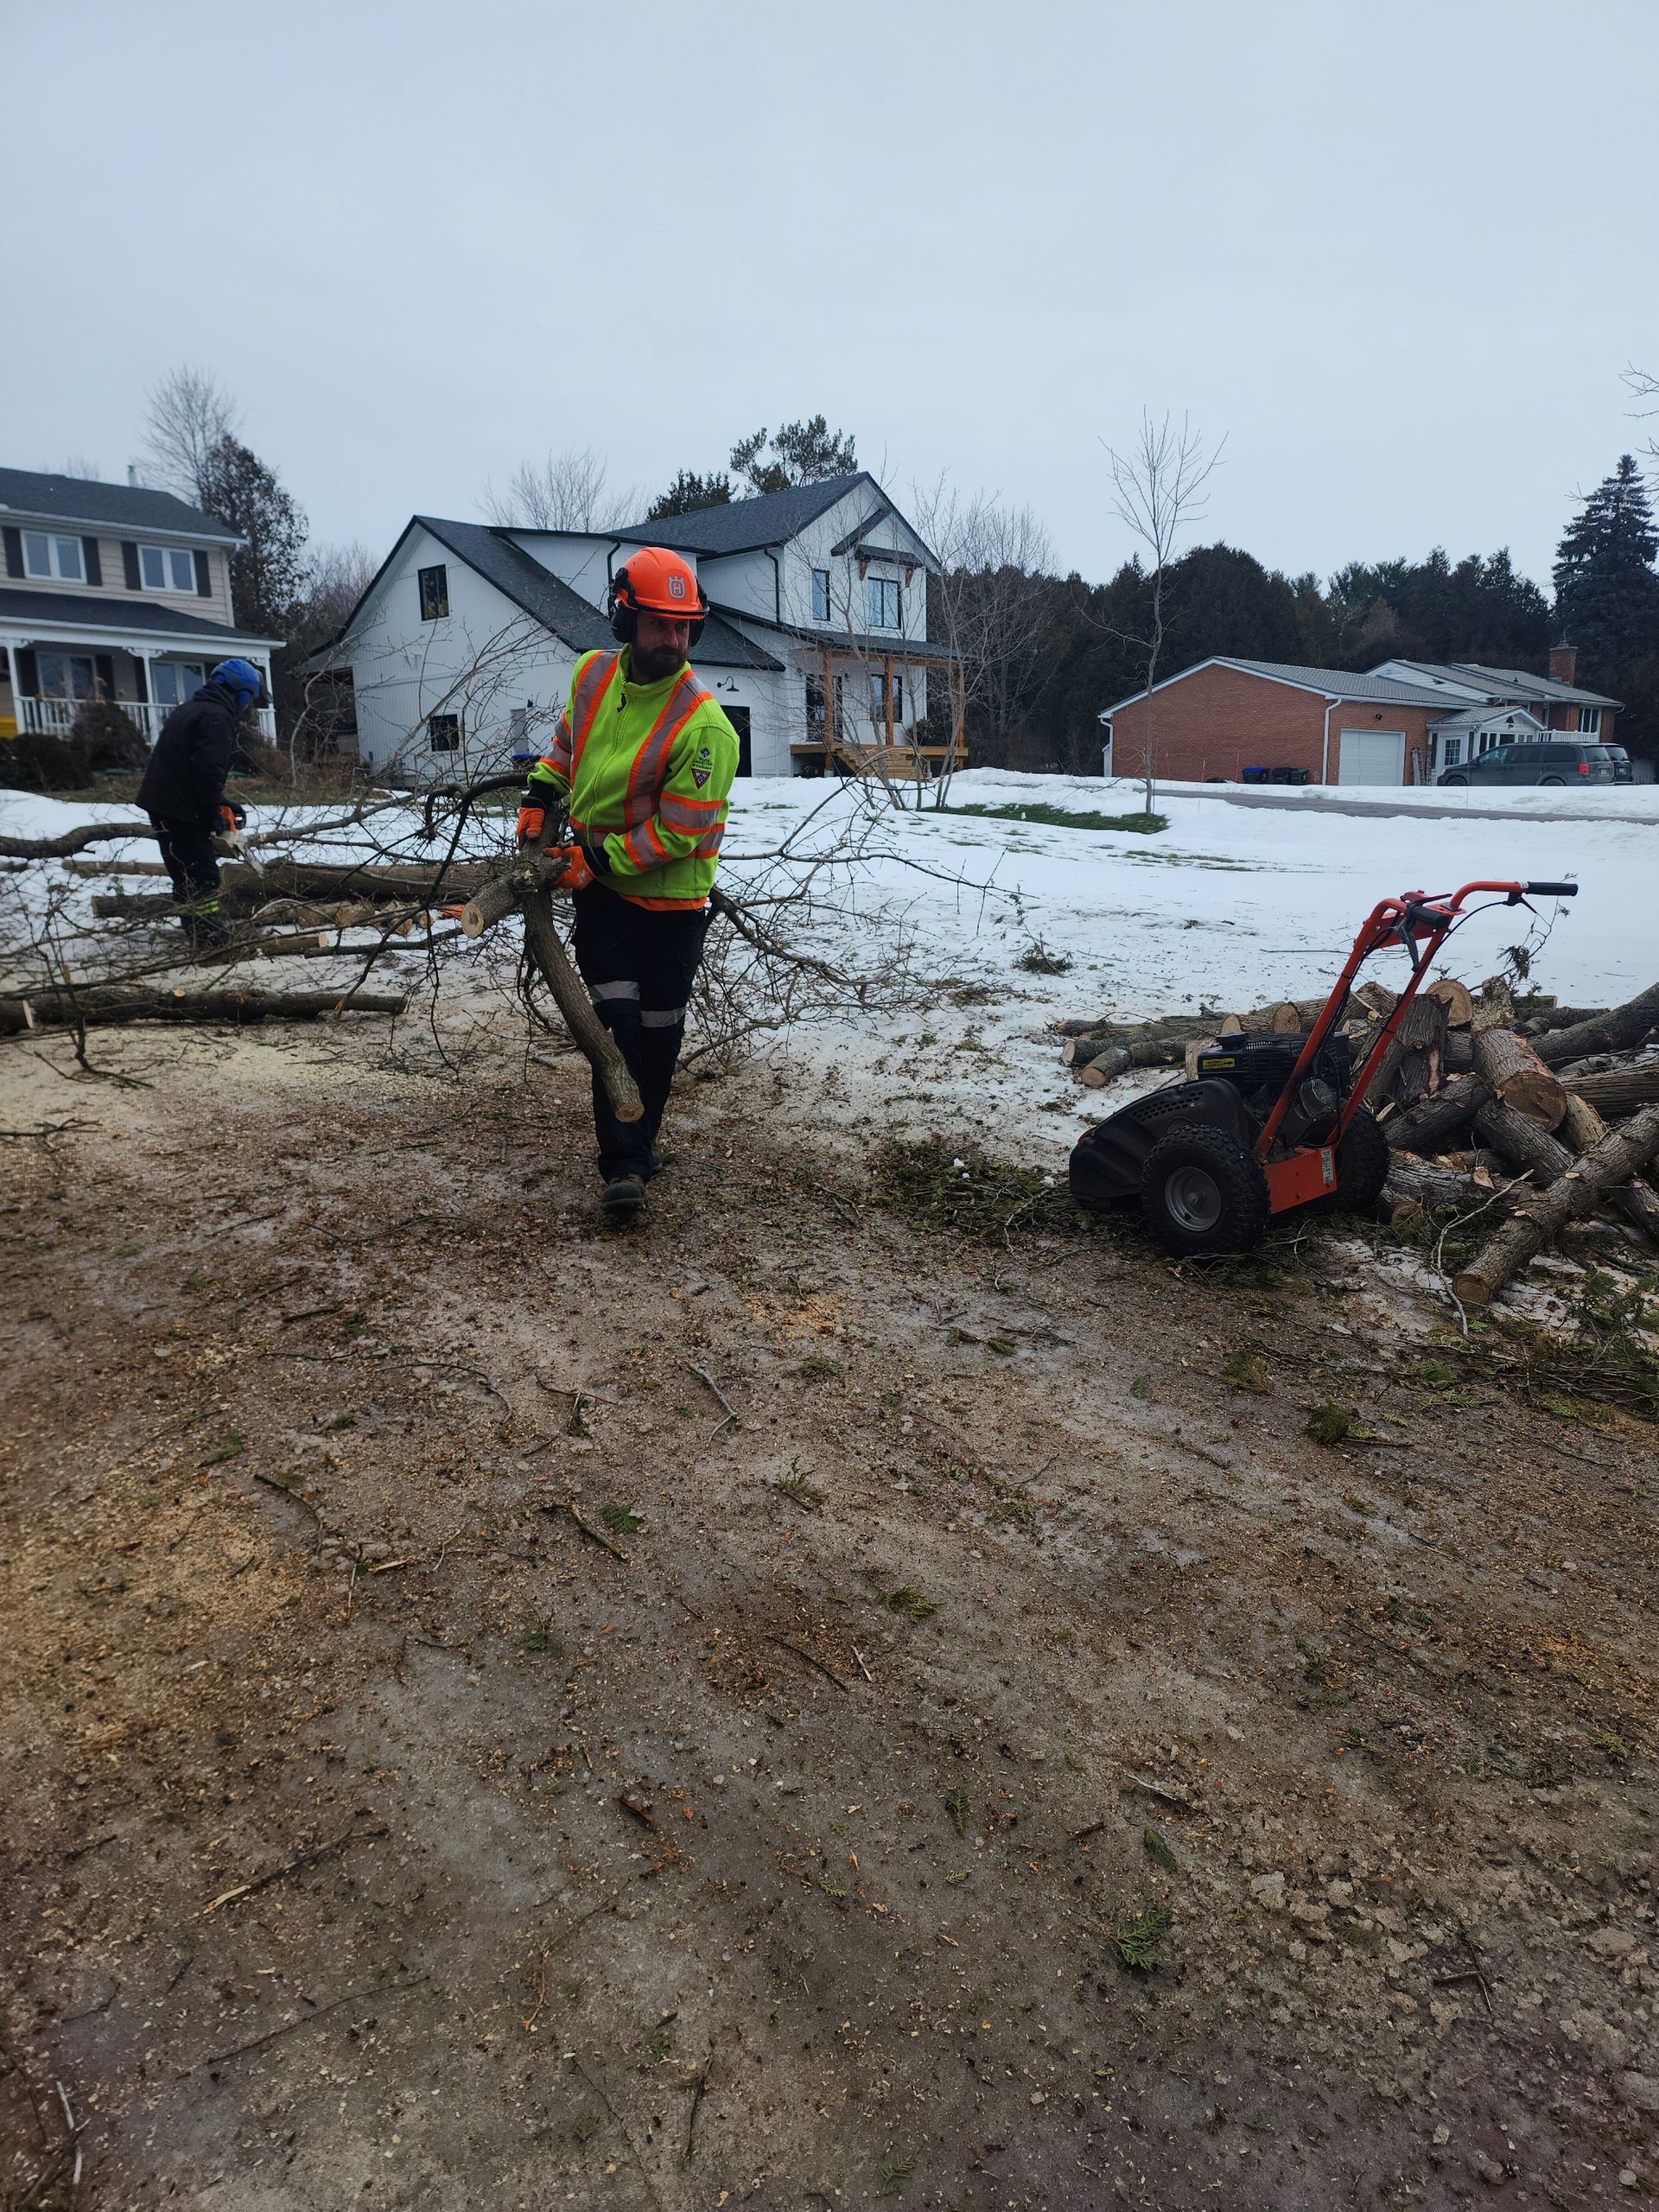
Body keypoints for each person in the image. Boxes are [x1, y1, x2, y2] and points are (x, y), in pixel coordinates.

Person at [518, 549, 740, 1224]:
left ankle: (639, 1144)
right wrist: (541, 789)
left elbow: (681, 835)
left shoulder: (705, 727)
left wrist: (597, 861)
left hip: (670, 907)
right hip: (605, 898)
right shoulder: (591, 675)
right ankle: (626, 1168)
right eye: (659, 626)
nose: (672, 640)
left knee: (657, 1033)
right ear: (626, 619)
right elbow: (567, 744)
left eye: (683, 627)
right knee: (613, 1027)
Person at [136, 658, 266, 948]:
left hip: (165, 803)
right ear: (241, 693)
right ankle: (209, 939)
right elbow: (208, 771)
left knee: (183, 874)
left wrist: (222, 802)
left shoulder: (192, 708)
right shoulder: (216, 717)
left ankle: (196, 934)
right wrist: (212, 814)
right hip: (182, 809)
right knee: (203, 876)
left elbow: (189, 767)